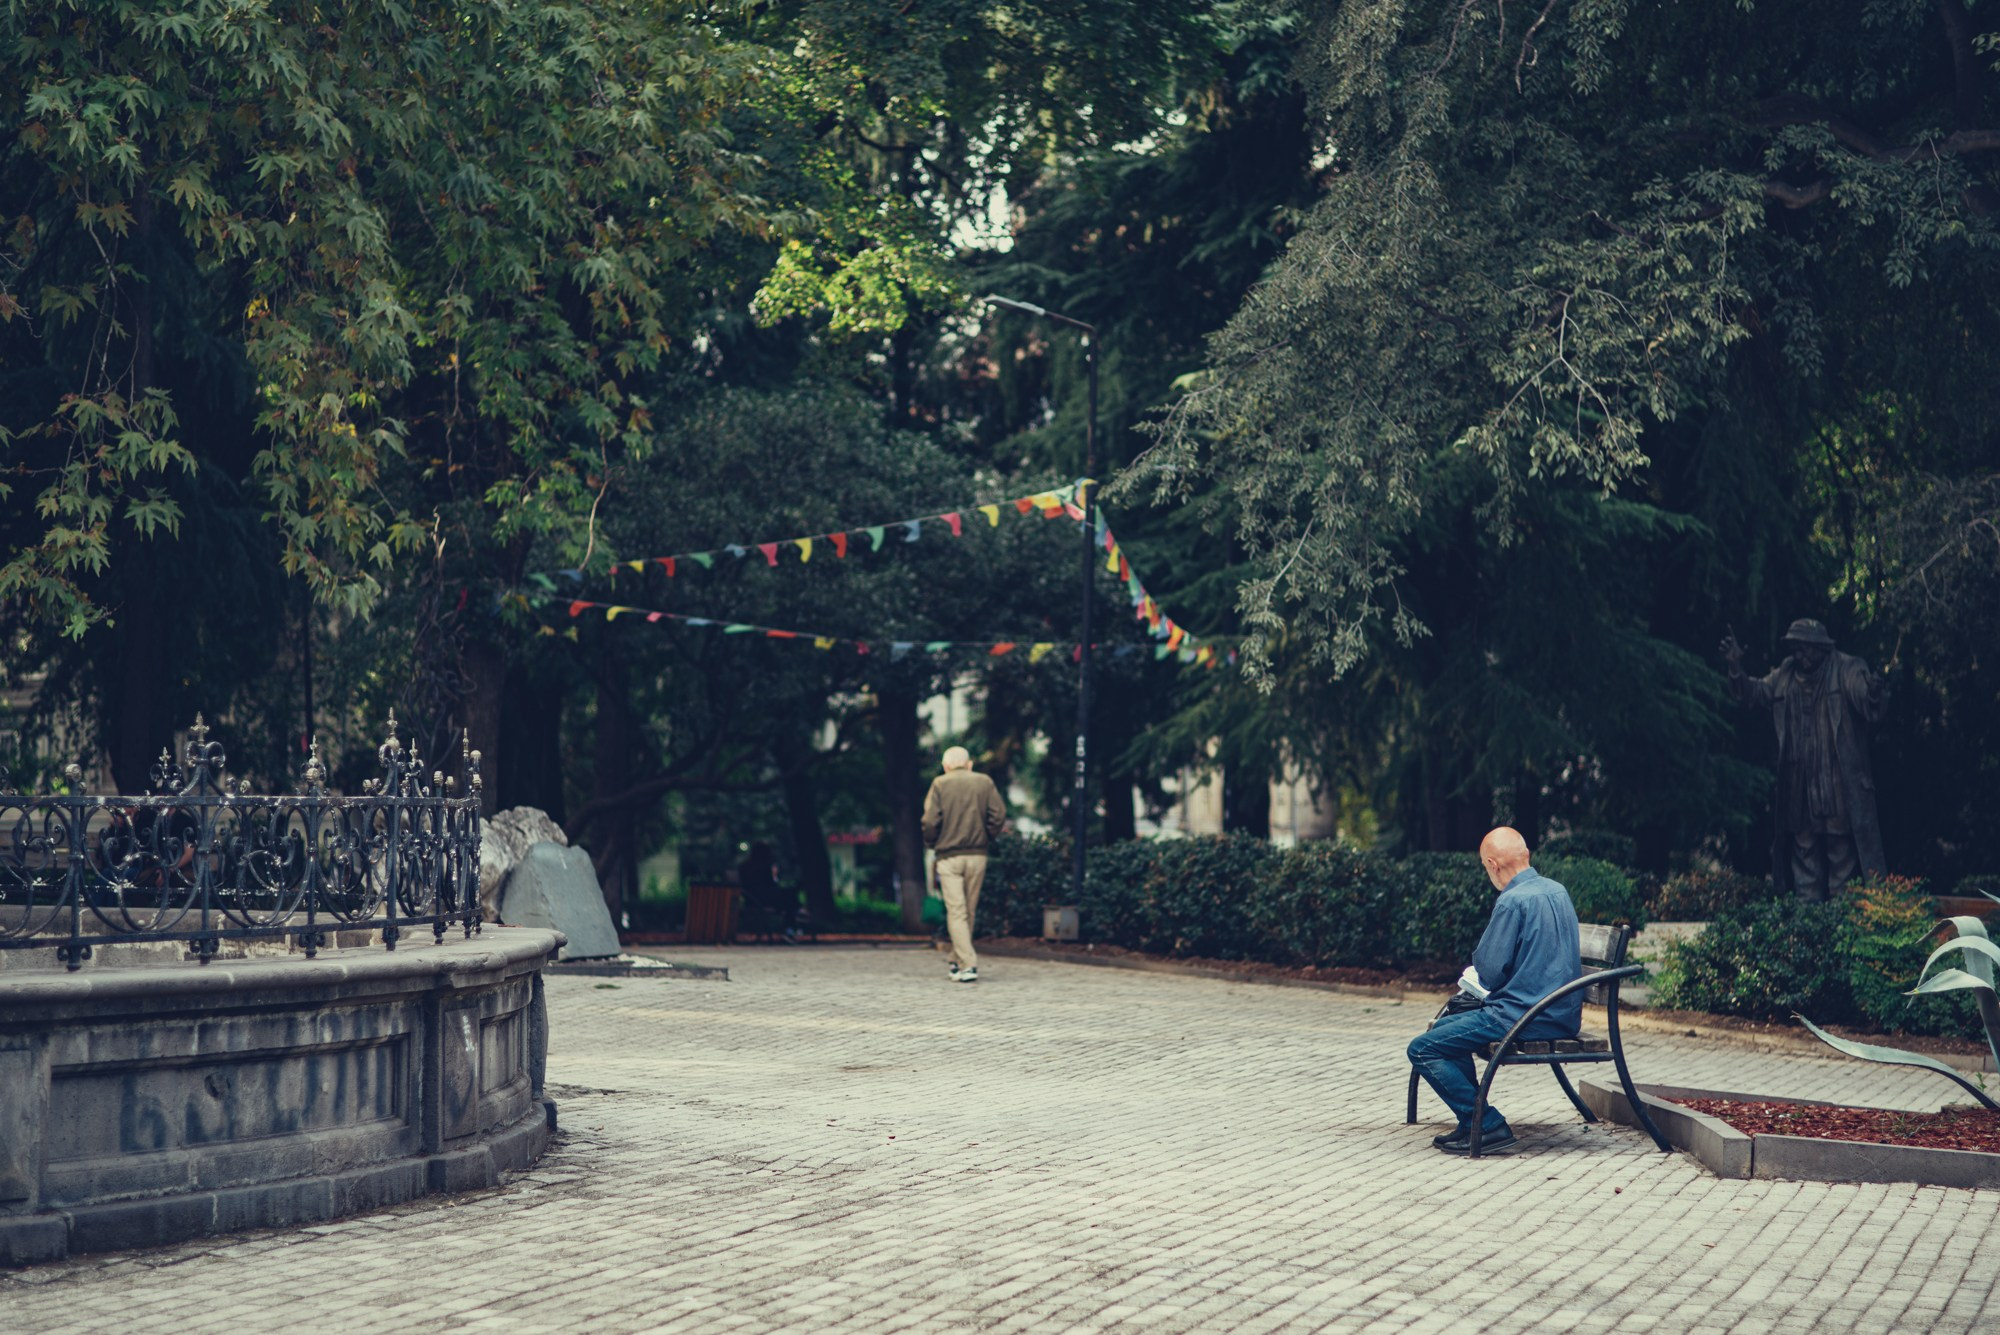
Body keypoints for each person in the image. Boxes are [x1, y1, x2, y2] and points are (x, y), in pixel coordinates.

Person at [1405, 827, 1582, 1155]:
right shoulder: (1557, 890)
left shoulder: (1513, 901)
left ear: (1492, 864)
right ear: (1526, 855)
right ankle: (1471, 1122)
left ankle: (1486, 1124)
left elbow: (1489, 970)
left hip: (1523, 1015)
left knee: (1423, 1049)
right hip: (1559, 1012)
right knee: (1445, 1031)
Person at [1720, 618, 1886, 901]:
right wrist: (1735, 667)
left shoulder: (1847, 668)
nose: (1800, 656)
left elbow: (1866, 700)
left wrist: (1873, 691)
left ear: (1822, 648)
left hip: (1837, 784)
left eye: (1806, 649)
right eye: (1796, 649)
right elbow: (1753, 693)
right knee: (1804, 857)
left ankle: (1838, 923)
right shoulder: (1786, 674)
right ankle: (1808, 923)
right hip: (1799, 784)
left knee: (1840, 858)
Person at [920, 745, 1007, 984]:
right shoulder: (984, 782)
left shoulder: (940, 783)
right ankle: (958, 961)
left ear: (946, 766)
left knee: (957, 912)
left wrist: (932, 842)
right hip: (977, 855)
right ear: (969, 764)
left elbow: (929, 821)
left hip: (948, 857)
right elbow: (998, 815)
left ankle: (967, 964)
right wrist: (986, 836)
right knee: (968, 910)